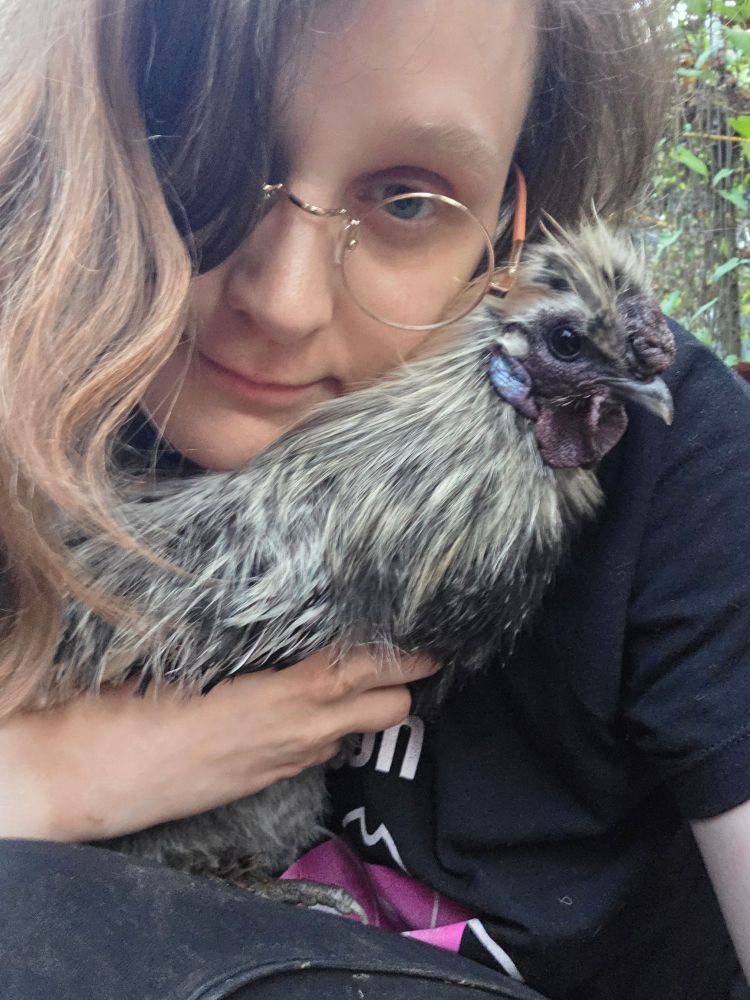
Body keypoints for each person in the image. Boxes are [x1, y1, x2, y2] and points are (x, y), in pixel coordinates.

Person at [0, 0, 748, 997]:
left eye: (407, 198)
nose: (284, 299)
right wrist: (55, 776)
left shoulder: (674, 466)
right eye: (203, 154)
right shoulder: (33, 396)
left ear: (508, 225)